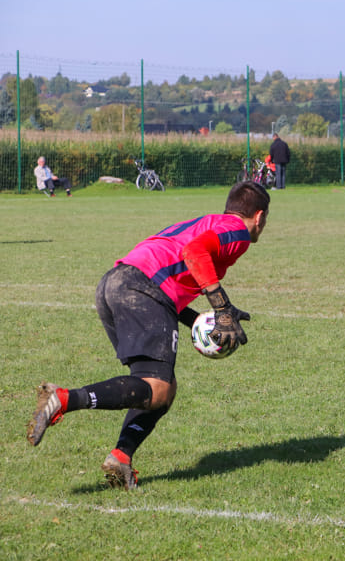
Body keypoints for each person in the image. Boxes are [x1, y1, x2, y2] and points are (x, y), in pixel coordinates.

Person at [26, 181, 270, 490]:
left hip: (115, 284)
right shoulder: (235, 232)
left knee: (162, 389)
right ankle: (63, 399)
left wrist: (199, 322)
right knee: (157, 388)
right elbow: (194, 253)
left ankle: (121, 457)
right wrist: (221, 308)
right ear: (259, 217)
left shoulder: (208, 223)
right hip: (142, 289)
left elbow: (173, 281)